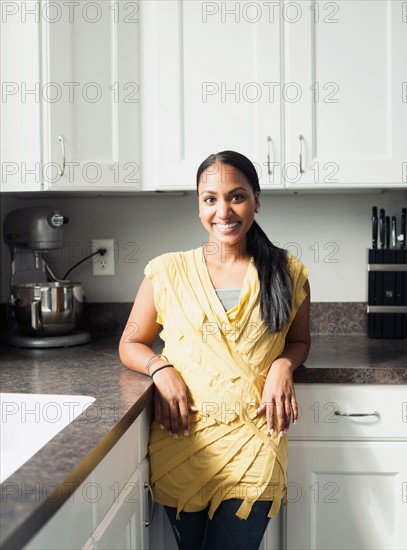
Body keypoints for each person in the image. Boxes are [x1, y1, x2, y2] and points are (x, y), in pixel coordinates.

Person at [119, 150, 310, 550]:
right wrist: (160, 368)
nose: (224, 210)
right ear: (199, 205)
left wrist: (283, 364)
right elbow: (131, 342)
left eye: (237, 196)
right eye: (211, 199)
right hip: (182, 442)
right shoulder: (167, 271)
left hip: (255, 444)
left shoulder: (288, 272)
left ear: (257, 200)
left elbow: (299, 340)